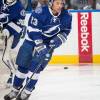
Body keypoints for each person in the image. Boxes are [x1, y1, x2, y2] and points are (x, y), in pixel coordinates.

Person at [4, 0, 72, 100]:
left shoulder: (67, 15)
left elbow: (66, 30)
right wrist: (39, 44)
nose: (60, 6)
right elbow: (32, 29)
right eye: (57, 3)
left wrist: (59, 39)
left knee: (35, 68)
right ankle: (15, 89)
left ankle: (27, 91)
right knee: (22, 66)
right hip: (31, 41)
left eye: (61, 3)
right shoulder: (39, 12)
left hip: (48, 44)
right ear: (51, 3)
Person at [0, 0, 26, 87]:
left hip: (13, 35)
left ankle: (13, 75)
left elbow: (19, 25)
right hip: (2, 33)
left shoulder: (19, 7)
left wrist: (7, 30)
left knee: (6, 57)